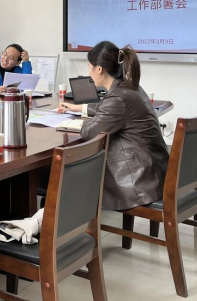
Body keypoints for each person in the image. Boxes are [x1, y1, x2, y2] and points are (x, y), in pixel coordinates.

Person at [58, 41, 169, 210]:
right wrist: (80, 108)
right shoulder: (130, 87)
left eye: (89, 67)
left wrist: (82, 122)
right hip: (154, 171)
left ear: (99, 69)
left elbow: (90, 133)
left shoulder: (117, 98)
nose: (88, 72)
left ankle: (48, 219)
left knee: (72, 174)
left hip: (138, 181)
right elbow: (109, 109)